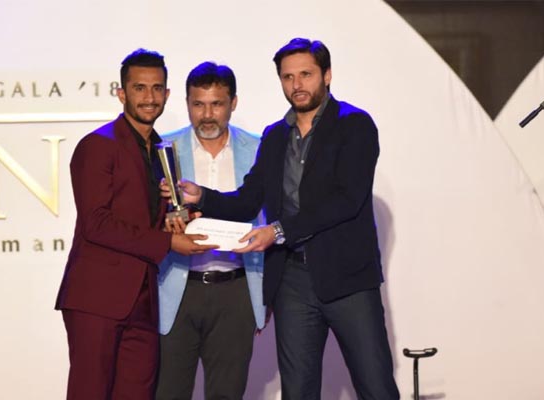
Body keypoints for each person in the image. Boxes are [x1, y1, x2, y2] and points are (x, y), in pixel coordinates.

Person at [168, 38, 400, 399]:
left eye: (306, 74)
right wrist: (203, 196)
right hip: (291, 281)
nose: (297, 85)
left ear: (327, 75)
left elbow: (346, 200)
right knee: (298, 391)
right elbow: (248, 200)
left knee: (376, 386)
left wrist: (277, 231)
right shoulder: (275, 135)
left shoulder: (355, 125)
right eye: (288, 77)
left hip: (348, 279)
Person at [55, 49, 216, 400]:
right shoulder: (98, 145)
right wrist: (168, 243)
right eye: (139, 88)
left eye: (157, 88)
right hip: (97, 298)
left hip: (144, 299)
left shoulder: (162, 150)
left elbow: (150, 218)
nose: (149, 97)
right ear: (121, 93)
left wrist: (179, 222)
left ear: (167, 94)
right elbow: (96, 223)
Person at [155, 62, 266, 400]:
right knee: (168, 393)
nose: (206, 115)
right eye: (198, 104)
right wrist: (164, 223)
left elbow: (272, 215)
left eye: (216, 104)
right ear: (186, 103)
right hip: (176, 288)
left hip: (237, 290)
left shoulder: (260, 149)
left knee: (227, 394)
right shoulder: (163, 148)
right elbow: (144, 215)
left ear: (233, 103)